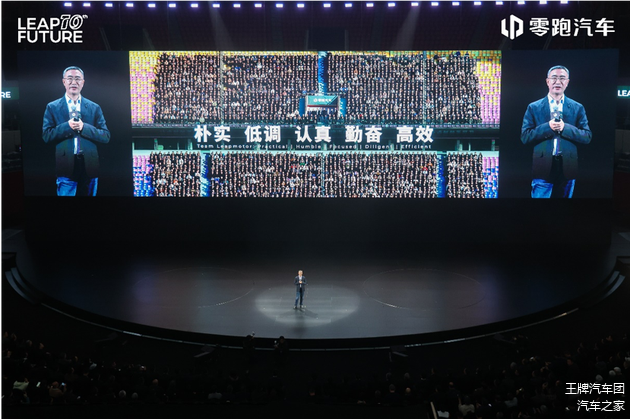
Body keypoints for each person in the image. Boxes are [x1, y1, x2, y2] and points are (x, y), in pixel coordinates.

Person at [521, 65, 591, 198]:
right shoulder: (534, 107)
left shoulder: (577, 107)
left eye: (562, 78)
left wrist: (565, 128)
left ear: (567, 82)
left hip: (568, 167)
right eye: (554, 78)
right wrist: (548, 127)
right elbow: (525, 137)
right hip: (542, 166)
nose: (557, 82)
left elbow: (587, 136)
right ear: (547, 81)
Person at [43, 66, 110, 196]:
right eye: (70, 78)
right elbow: (46, 136)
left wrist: (84, 127)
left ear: (83, 82)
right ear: (64, 81)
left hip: (90, 165)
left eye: (78, 79)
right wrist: (67, 126)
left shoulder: (94, 107)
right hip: (65, 166)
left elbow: (106, 136)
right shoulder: (52, 107)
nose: (74, 82)